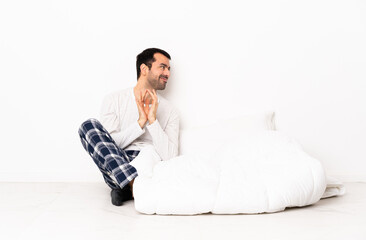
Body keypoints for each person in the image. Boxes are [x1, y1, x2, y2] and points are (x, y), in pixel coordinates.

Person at [78, 48, 180, 206]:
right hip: (116, 160)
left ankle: (124, 186)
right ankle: (132, 184)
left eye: (168, 69)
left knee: (148, 152)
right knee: (88, 126)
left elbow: (171, 157)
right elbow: (108, 144)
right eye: (162, 67)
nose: (167, 73)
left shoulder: (170, 110)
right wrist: (140, 122)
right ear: (144, 69)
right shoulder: (114, 99)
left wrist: (152, 121)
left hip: (148, 163)